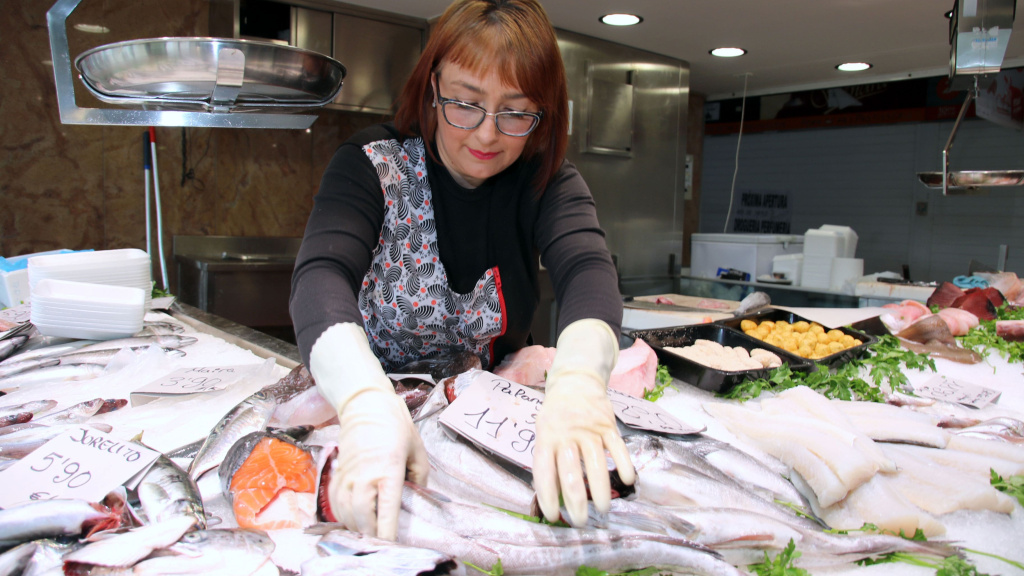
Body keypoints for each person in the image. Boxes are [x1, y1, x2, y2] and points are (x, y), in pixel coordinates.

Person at [289, 0, 635, 540]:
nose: (487, 135)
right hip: (362, 426)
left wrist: (580, 383)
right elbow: (319, 277)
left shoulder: (545, 181)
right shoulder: (373, 165)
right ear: (433, 87)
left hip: (479, 432)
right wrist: (363, 402)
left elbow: (588, 271)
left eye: (516, 112)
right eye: (466, 103)